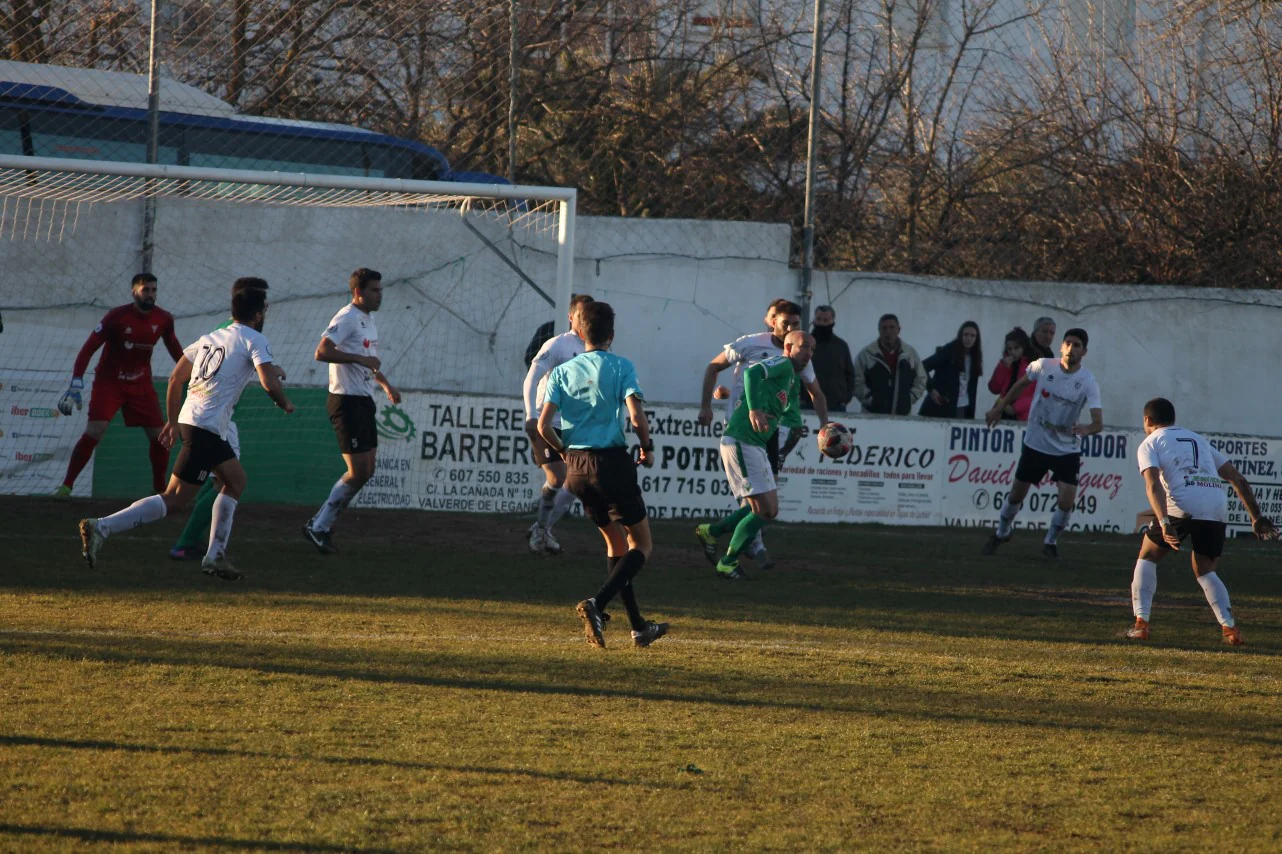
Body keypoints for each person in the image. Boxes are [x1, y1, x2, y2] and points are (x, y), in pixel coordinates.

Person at [78, 286, 293, 580]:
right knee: (176, 498)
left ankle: (214, 555)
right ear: (258, 314)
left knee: (232, 481)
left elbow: (177, 377)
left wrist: (174, 421)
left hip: (195, 422)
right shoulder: (255, 339)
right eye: (264, 310)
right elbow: (269, 382)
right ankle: (102, 526)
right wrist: (285, 403)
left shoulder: (211, 337)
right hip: (207, 427)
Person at [538, 301, 668, 649]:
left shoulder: (563, 371)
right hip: (610, 462)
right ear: (611, 334)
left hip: (577, 470)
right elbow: (637, 417)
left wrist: (565, 451)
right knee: (642, 545)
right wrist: (647, 446)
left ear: (580, 334)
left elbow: (542, 425)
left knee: (615, 544)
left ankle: (639, 627)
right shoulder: (621, 366)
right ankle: (597, 604)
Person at [1124, 398, 1278, 646]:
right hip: (1214, 505)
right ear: (1173, 419)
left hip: (1181, 505)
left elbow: (1153, 484)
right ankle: (1230, 629)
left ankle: (1141, 625)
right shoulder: (1198, 439)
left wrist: (1163, 521)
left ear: (1147, 420)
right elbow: (1237, 479)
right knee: (1205, 570)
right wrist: (1256, 516)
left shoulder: (1150, 442)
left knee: (1148, 556)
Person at [696, 299, 829, 569]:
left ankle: (725, 537)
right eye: (785, 322)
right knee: (759, 502)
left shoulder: (798, 360)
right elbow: (722, 369)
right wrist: (709, 405)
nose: (790, 326)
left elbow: (815, 392)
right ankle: (747, 550)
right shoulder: (754, 345)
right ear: (772, 321)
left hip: (768, 433)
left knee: (764, 499)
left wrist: (825, 424)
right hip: (742, 430)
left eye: (795, 323)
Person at [168, 278, 281, 561]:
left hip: (211, 418)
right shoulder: (238, 334)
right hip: (216, 422)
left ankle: (199, 545)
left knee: (216, 482)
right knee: (225, 483)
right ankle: (190, 544)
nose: (265, 310)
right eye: (262, 303)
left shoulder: (225, 331)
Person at [55, 273, 185, 498]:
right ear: (134, 291)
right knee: (95, 430)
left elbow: (175, 349)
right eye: (146, 290)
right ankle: (66, 486)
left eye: (154, 290)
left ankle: (159, 489)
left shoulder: (163, 319)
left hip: (140, 384)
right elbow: (88, 349)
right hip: (109, 383)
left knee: (159, 437)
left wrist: (191, 374)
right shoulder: (116, 317)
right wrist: (76, 382)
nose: (151, 294)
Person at [302, 268, 402, 554]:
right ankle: (319, 526)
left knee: (366, 471)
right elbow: (321, 352)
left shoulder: (368, 321)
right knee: (357, 471)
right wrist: (356, 356)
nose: (380, 294)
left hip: (364, 400)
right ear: (358, 292)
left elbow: (370, 363)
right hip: (345, 402)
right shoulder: (346, 317)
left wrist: (386, 385)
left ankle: (319, 525)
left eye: (381, 290)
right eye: (374, 290)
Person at [981, 328, 1102, 559]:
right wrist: (998, 408)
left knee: (1066, 501)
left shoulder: (1088, 382)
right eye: (1068, 343)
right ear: (1061, 347)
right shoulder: (1044, 366)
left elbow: (1099, 422)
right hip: (1036, 443)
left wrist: (1086, 428)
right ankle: (1002, 531)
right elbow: (1019, 385)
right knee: (1016, 495)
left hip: (1067, 448)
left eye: (1076, 345)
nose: (1071, 348)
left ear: (1084, 351)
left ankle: (1050, 541)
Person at [522, 294, 595, 555]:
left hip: (573, 425)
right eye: (581, 315)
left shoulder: (595, 349)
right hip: (545, 422)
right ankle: (540, 531)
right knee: (558, 477)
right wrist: (531, 414)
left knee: (575, 482)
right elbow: (532, 377)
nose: (585, 320)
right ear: (571, 316)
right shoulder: (557, 345)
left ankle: (542, 529)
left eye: (589, 315)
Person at [852, 313, 927, 415]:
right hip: (872, 416)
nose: (888, 332)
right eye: (884, 328)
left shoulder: (909, 354)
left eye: (892, 327)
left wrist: (909, 398)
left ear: (898, 330)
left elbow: (921, 378)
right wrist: (870, 399)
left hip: (903, 416)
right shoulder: (867, 354)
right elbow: (857, 381)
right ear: (879, 330)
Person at [919, 321, 983, 419]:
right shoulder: (949, 350)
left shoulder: (975, 358)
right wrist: (931, 389)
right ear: (960, 335)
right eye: (965, 335)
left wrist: (971, 416)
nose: (968, 338)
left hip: (962, 408)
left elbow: (971, 390)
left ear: (976, 339)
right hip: (941, 406)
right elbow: (923, 366)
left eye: (972, 336)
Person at [806, 305, 855, 413]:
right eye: (819, 319)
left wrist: (845, 399)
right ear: (814, 320)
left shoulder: (841, 346)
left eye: (826, 320)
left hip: (836, 406)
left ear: (832, 321)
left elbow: (850, 375)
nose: (822, 323)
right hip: (808, 404)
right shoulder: (804, 344)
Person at [987, 327, 1034, 422]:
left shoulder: (1032, 367)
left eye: (1016, 348)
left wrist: (1015, 408)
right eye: (1009, 349)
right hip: (1002, 412)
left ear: (1023, 347)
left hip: (1022, 416)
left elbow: (1035, 395)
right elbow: (994, 389)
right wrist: (1002, 368)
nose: (1013, 352)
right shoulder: (1005, 364)